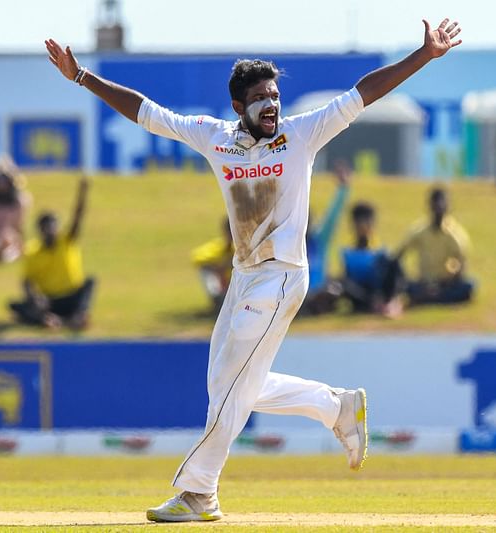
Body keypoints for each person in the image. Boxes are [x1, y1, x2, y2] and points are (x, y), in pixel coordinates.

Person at [46, 15, 462, 523]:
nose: (272, 106)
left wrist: (423, 56)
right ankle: (336, 407)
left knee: (233, 387)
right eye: (261, 99)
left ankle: (199, 493)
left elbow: (362, 93)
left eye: (276, 96)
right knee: (231, 386)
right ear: (239, 106)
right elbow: (147, 113)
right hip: (245, 277)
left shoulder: (302, 134)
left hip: (284, 275)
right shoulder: (216, 138)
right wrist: (82, 76)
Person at [9, 176, 94, 330]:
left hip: (72, 296)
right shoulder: (33, 251)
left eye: (53, 226)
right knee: (16, 306)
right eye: (46, 227)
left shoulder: (67, 240)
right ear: (40, 231)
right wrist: (35, 299)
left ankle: (77, 316)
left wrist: (83, 192)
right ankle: (49, 319)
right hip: (51, 300)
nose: (50, 231)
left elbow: (78, 217)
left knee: (89, 283)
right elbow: (27, 282)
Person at [395, 187, 474, 305]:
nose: (439, 208)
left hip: (445, 283)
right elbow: (400, 253)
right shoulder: (420, 230)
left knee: (470, 285)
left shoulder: (455, 233)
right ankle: (433, 297)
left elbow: (462, 263)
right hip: (423, 282)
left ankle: (429, 297)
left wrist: (450, 281)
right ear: (430, 206)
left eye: (442, 204)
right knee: (403, 285)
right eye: (436, 204)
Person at [300, 162, 350, 315]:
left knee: (336, 288)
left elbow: (332, 217)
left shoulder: (319, 240)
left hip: (319, 294)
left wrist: (343, 188)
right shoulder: (287, 244)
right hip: (294, 296)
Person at [341, 202, 404, 317]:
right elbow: (348, 280)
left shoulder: (381, 252)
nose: (363, 227)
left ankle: (390, 303)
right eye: (360, 222)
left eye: (367, 222)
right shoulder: (348, 253)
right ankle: (375, 305)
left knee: (392, 262)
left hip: (379, 291)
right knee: (343, 284)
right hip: (362, 295)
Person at [191, 216, 234, 312]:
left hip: (244, 288)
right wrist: (220, 267)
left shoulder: (247, 246)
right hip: (225, 288)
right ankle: (218, 302)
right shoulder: (220, 245)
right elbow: (197, 257)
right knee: (205, 269)